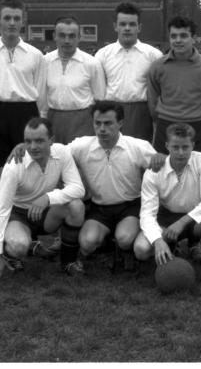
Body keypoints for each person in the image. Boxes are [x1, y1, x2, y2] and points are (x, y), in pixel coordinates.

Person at [134, 123, 201, 295]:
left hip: (194, 220)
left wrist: (182, 222)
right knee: (141, 249)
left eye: (185, 147)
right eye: (175, 147)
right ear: (167, 146)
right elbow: (147, 213)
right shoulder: (154, 171)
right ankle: (169, 246)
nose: (181, 152)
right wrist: (157, 240)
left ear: (193, 145)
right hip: (166, 219)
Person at [65, 100, 165, 275]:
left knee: (124, 239)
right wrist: (23, 148)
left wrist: (163, 158)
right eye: (98, 123)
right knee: (87, 243)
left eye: (108, 123)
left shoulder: (137, 146)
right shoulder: (82, 146)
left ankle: (123, 248)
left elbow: (163, 166)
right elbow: (53, 153)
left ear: (120, 123)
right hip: (99, 208)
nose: (102, 129)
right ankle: (107, 244)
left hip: (130, 206)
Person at [0, 117, 85, 282]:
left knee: (76, 206)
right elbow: (0, 209)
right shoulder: (14, 165)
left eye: (39, 141)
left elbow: (78, 188)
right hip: (18, 216)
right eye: (28, 141)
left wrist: (47, 198)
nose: (33, 147)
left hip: (45, 213)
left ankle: (68, 262)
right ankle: (10, 253)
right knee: (18, 245)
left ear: (51, 140)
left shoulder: (62, 152)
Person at [0, 0, 47, 183]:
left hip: (26, 114)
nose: (12, 23)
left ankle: (27, 211)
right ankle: (2, 211)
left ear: (23, 21)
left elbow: (42, 94)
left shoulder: (36, 55)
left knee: (29, 170)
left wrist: (38, 123)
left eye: (16, 18)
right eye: (7, 18)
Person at [148, 16, 201, 157]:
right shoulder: (157, 67)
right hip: (166, 125)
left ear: (193, 38)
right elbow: (152, 101)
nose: (178, 40)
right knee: (164, 172)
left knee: (196, 172)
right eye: (173, 36)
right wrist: (162, 120)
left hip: (198, 126)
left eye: (183, 36)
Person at [94, 2, 162, 142]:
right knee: (111, 153)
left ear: (139, 27)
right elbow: (98, 88)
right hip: (111, 110)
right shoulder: (102, 55)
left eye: (132, 24)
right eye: (123, 24)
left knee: (139, 154)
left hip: (140, 112)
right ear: (115, 26)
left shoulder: (153, 55)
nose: (127, 28)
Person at [44, 16, 105, 145]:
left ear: (79, 37)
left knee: (78, 161)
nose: (67, 40)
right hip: (53, 119)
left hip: (82, 120)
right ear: (54, 36)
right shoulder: (44, 62)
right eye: (62, 35)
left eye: (72, 36)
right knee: (54, 160)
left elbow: (100, 98)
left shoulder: (92, 63)